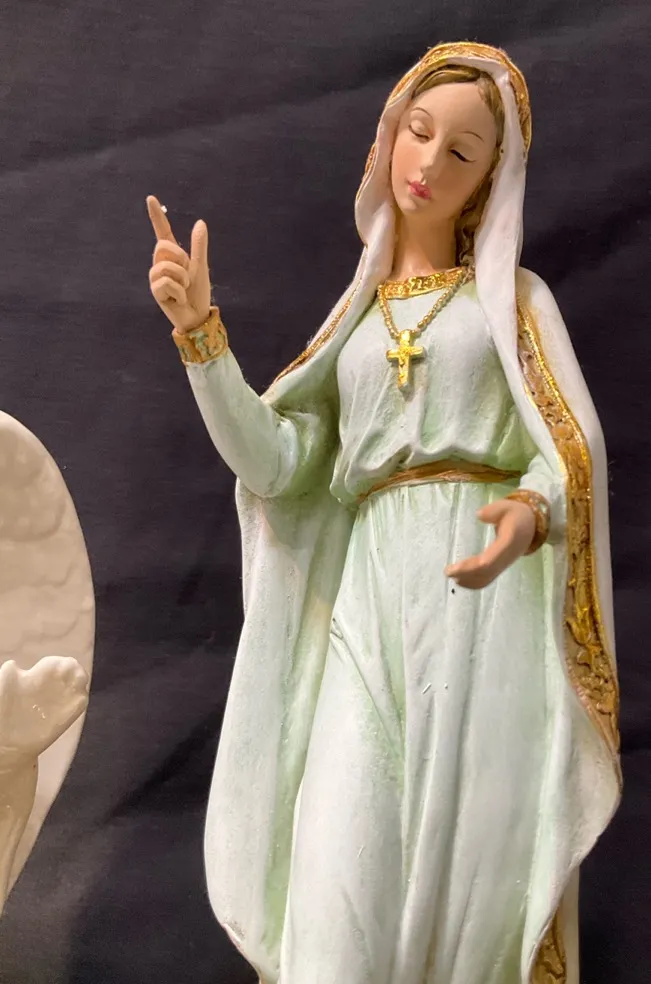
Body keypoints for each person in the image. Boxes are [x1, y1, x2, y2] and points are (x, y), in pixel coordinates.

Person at [147, 41, 620, 984]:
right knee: (337, 851)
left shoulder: (511, 303)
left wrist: (526, 515)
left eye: (462, 151)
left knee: (469, 881)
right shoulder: (354, 326)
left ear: (488, 181)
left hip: (481, 614)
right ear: (387, 135)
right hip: (367, 600)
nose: (429, 161)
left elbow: (570, 448)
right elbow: (277, 464)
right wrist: (201, 338)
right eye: (419, 131)